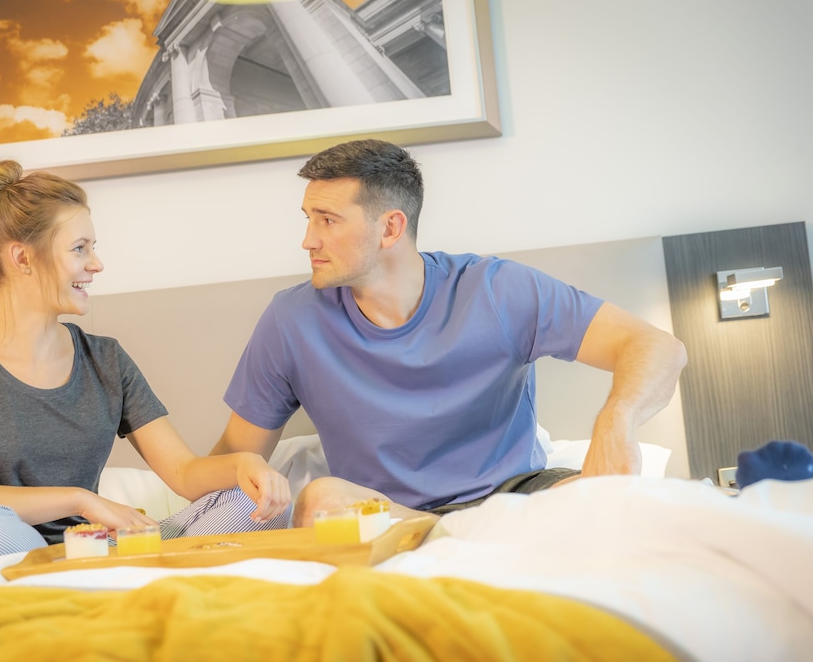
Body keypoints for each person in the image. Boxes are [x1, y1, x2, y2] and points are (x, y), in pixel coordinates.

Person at [208, 139, 689, 527]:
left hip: (517, 498)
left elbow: (656, 346)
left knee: (621, 500)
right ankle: (458, 536)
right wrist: (180, 500)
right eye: (308, 219)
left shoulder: (497, 290)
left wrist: (616, 421)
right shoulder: (291, 319)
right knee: (320, 500)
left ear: (390, 228)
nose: (308, 240)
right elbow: (234, 457)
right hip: (388, 514)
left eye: (327, 220)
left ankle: (466, 535)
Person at [0, 160, 291, 567]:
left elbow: (184, 472)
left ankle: (108, 583)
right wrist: (82, 500)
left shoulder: (106, 359)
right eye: (79, 248)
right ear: (22, 258)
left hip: (102, 551)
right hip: (11, 549)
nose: (96, 264)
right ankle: (94, 584)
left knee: (254, 503)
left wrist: (246, 464)